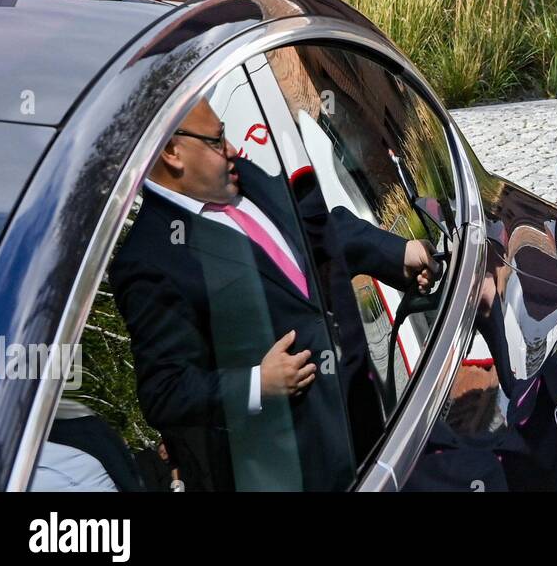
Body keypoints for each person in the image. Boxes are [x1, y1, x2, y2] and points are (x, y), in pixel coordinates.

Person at [111, 98, 438, 491]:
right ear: (171, 152)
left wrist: (393, 252)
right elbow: (165, 391)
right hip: (297, 468)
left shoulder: (239, 176)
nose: (232, 150)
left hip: (365, 422)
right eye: (216, 141)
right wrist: (256, 384)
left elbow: (316, 230)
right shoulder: (150, 258)